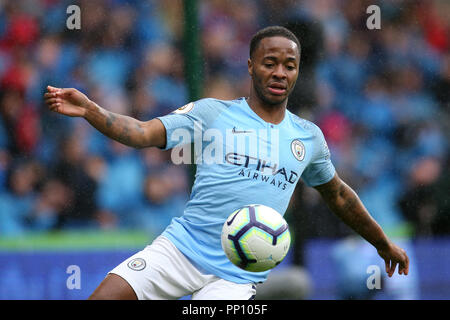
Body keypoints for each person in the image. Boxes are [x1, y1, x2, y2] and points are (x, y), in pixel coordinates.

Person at [44, 26, 409, 300]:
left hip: (238, 274)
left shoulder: (308, 137)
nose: (280, 72)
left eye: (290, 65)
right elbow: (141, 133)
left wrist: (381, 243)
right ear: (251, 67)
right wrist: (92, 111)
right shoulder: (212, 113)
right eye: (270, 63)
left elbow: (339, 196)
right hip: (180, 249)